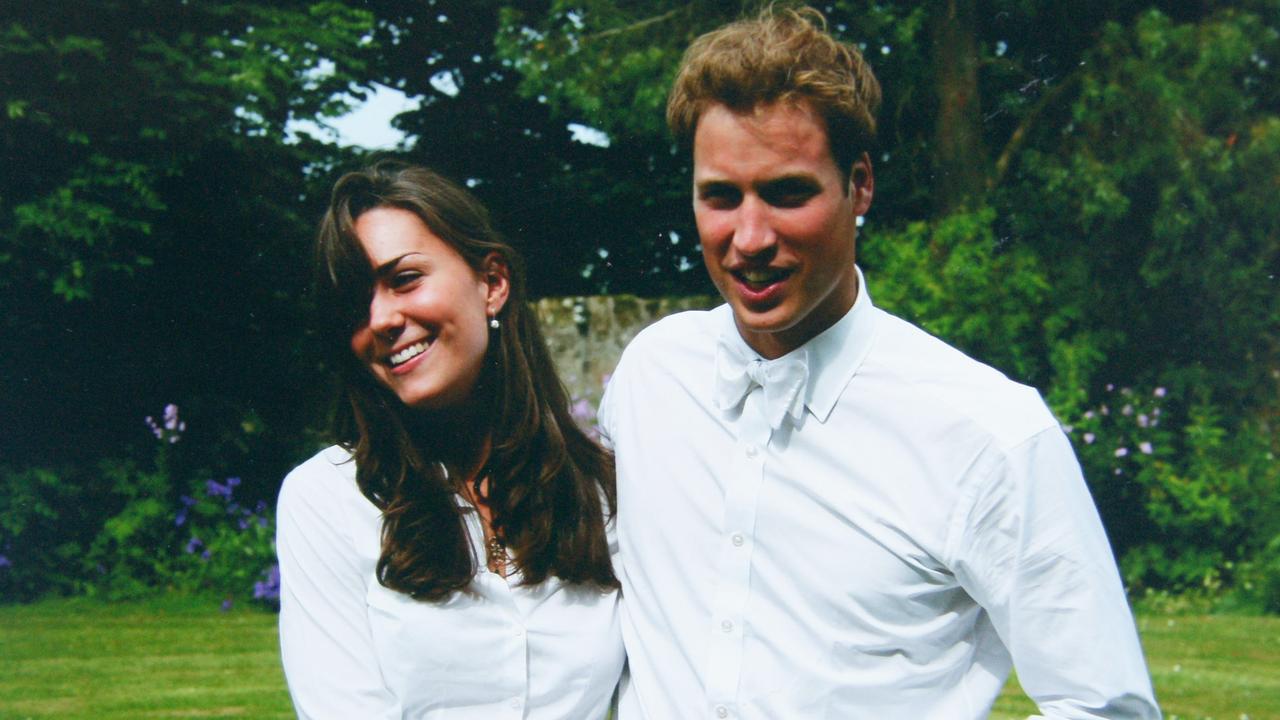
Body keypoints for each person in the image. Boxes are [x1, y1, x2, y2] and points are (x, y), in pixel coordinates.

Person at [598, 6, 1160, 719]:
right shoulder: (653, 375)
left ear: (859, 185)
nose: (749, 237)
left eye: (787, 192)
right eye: (720, 197)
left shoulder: (989, 434)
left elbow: (1104, 704)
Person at [276, 162, 624, 719]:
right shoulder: (328, 500)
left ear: (492, 282)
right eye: (355, 302)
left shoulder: (601, 492)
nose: (382, 317)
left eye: (404, 279)